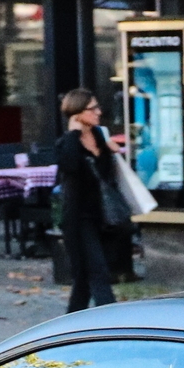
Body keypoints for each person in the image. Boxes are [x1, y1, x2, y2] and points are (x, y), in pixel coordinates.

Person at [50, 88, 123, 313]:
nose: (99, 112)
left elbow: (109, 175)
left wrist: (112, 151)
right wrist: (73, 134)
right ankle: (113, 322)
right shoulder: (67, 142)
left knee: (83, 278)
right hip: (78, 217)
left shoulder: (100, 136)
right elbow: (69, 166)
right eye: (92, 109)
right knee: (98, 271)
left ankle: (69, 326)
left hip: (102, 214)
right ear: (77, 112)